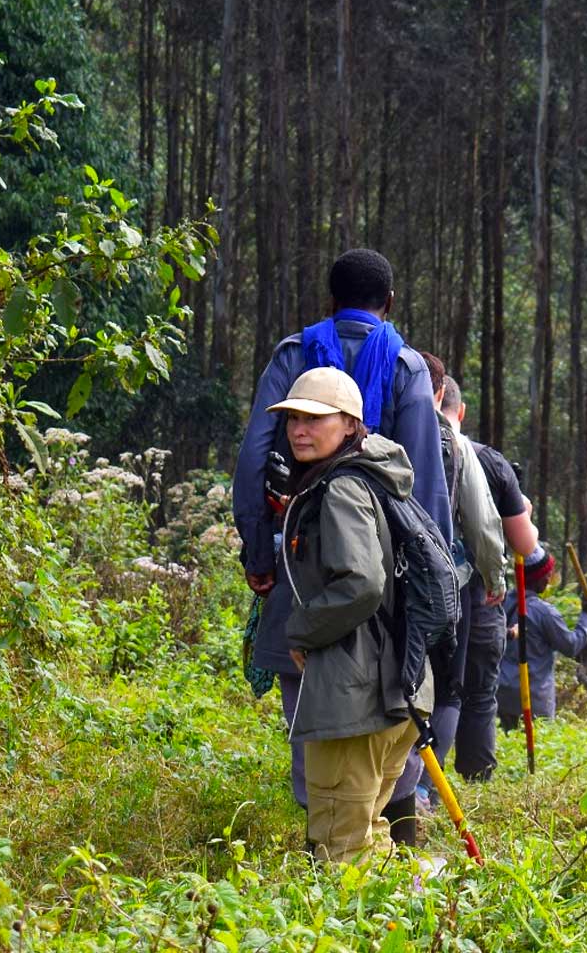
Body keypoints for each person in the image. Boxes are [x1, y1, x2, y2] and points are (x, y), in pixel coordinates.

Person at [233, 249, 450, 811]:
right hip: (390, 571)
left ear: (330, 301)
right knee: (391, 686)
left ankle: (322, 831)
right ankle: (392, 827)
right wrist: (432, 579)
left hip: (300, 552)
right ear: (391, 303)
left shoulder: (293, 356)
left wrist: (260, 551)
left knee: (304, 690)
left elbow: (256, 456)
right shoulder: (406, 368)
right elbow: (423, 484)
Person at [269, 367, 433, 862]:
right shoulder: (374, 476)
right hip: (396, 689)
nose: (300, 429)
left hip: (355, 698)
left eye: (316, 419)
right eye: (294, 417)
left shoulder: (342, 489)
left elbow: (362, 584)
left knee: (339, 851)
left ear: (348, 424)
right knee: (365, 834)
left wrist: (300, 631)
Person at [389, 358, 505, 829]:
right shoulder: (457, 443)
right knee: (447, 688)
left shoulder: (378, 428)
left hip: (386, 581)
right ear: (441, 394)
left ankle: (393, 783)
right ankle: (419, 789)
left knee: (397, 678)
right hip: (446, 583)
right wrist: (494, 576)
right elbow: (481, 519)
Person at [436, 376, 532, 781]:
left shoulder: (407, 451)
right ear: (461, 411)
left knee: (434, 685)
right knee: (477, 691)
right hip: (482, 592)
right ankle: (476, 775)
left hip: (426, 588)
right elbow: (524, 544)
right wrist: (525, 511)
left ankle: (418, 784)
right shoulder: (492, 463)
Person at [498, 547, 587, 726]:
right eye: (547, 574)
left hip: (501, 694)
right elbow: (571, 646)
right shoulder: (543, 612)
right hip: (533, 700)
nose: (549, 578)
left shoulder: (502, 601)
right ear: (537, 578)